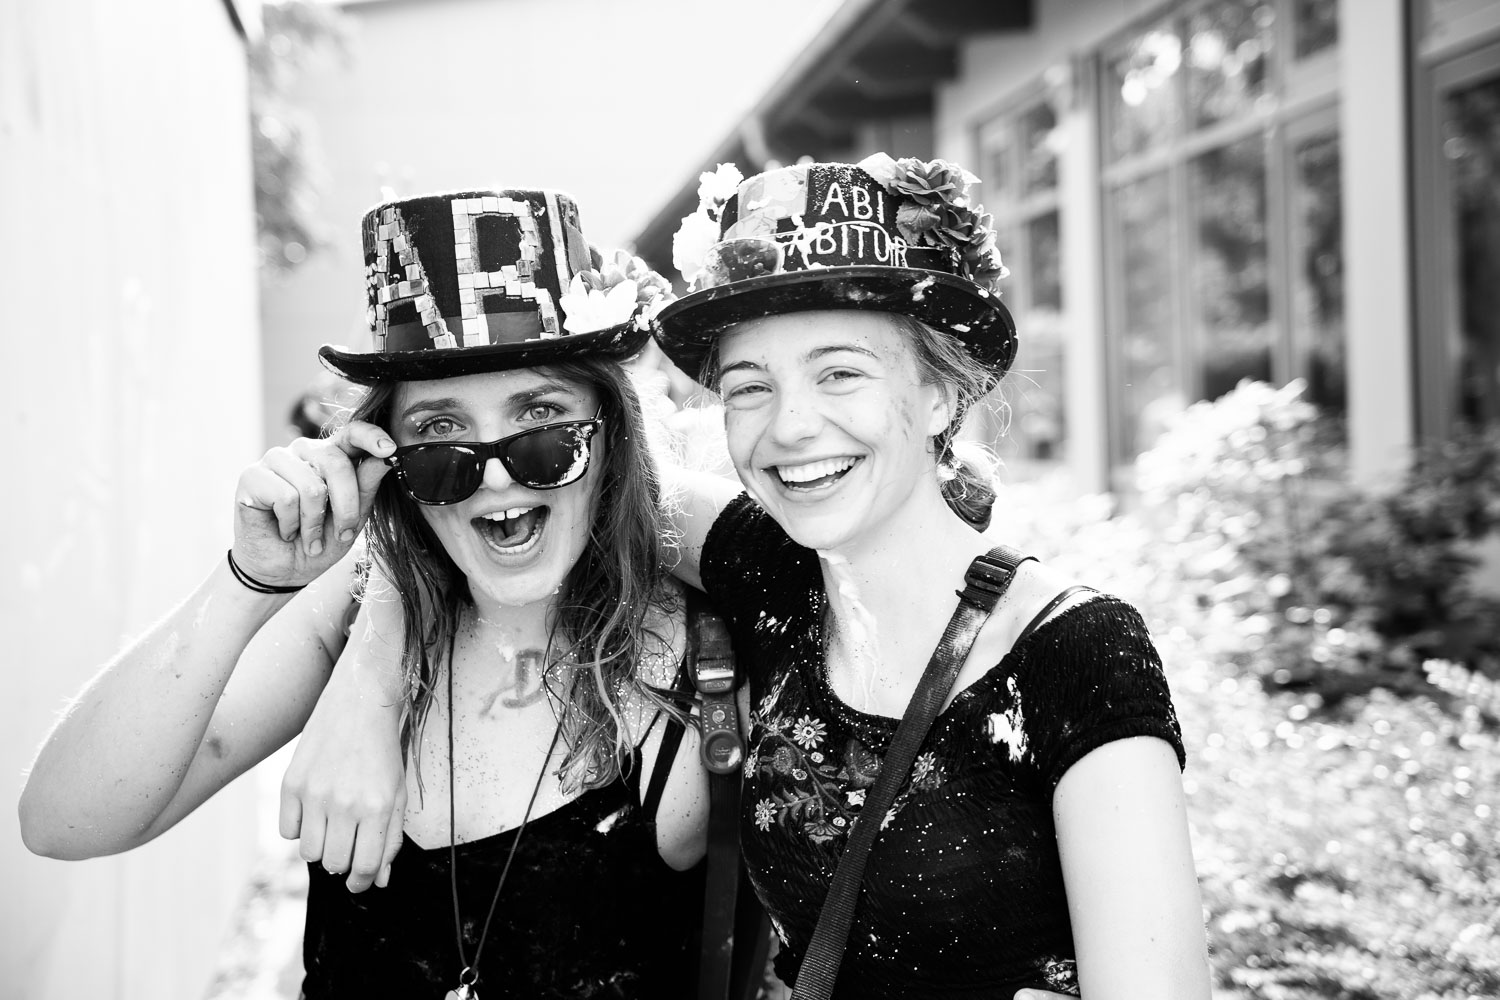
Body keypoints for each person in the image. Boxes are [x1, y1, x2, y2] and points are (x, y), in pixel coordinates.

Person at [285, 158, 1210, 999]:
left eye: (839, 373)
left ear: (939, 392)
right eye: (749, 387)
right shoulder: (772, 581)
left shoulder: (1073, 650)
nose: (791, 426)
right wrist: (373, 667)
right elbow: (500, 490)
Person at [19, 189, 712, 999]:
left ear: (612, 433)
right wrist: (250, 582)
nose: (495, 476)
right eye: (440, 435)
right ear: (387, 462)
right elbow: (63, 821)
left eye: (542, 421)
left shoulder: (704, 662)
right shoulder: (348, 615)